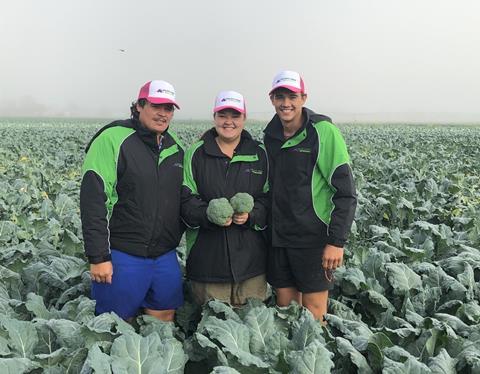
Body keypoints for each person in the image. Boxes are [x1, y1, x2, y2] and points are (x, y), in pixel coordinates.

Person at [80, 80, 185, 321]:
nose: (162, 113)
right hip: (123, 254)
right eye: (156, 105)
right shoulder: (113, 139)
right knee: (116, 323)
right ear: (139, 105)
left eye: (168, 108)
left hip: (164, 255)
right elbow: (93, 200)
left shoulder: (174, 146)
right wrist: (98, 257)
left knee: (164, 317)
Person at [263, 70, 357, 322]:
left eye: (292, 96)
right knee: (286, 310)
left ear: (304, 97)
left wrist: (336, 241)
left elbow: (346, 193)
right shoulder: (269, 135)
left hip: (313, 239)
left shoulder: (323, 131)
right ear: (272, 99)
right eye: (280, 96)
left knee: (315, 313)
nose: (286, 103)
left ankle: (315, 359)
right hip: (279, 239)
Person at [181, 90, 269, 306]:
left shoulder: (260, 153)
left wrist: (252, 215)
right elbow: (184, 201)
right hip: (208, 263)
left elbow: (270, 200)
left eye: (235, 116)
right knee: (209, 329)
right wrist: (208, 214)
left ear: (244, 119)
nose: (228, 121)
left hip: (252, 265)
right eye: (222, 115)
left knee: (251, 328)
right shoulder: (196, 153)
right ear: (214, 117)